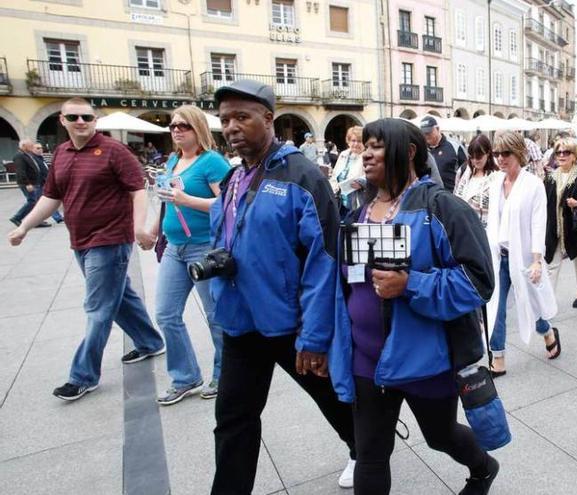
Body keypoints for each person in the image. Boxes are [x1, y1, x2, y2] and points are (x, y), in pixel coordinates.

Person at [329, 117, 499, 495]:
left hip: (425, 360)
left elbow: (478, 281)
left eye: (376, 145)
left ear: (407, 153)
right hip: (366, 361)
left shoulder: (442, 207)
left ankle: (483, 467)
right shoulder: (357, 210)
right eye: (365, 145)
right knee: (371, 453)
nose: (366, 153)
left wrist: (411, 285)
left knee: (440, 436)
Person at [208, 80, 356, 493]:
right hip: (240, 321)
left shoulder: (303, 175)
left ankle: (364, 448)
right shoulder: (235, 178)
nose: (232, 127)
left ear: (268, 119)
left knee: (331, 399)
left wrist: (314, 336)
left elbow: (324, 262)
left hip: (291, 325)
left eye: (242, 117)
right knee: (233, 417)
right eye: (225, 120)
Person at [8, 97, 166, 400]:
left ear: (95, 120)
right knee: (120, 298)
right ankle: (149, 342)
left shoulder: (114, 151)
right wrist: (25, 226)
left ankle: (83, 375)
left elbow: (138, 191)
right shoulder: (62, 155)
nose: (81, 122)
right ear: (63, 121)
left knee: (97, 308)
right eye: (74, 117)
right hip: (79, 239)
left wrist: (138, 227)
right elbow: (51, 197)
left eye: (87, 117)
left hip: (109, 240)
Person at [140, 105, 230, 405]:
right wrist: (154, 229)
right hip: (174, 248)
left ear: (198, 129)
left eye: (183, 126)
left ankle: (223, 374)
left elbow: (228, 205)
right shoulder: (172, 160)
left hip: (204, 247)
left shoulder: (212, 162)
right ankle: (185, 376)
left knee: (216, 316)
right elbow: (167, 201)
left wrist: (187, 198)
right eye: (173, 126)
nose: (176, 130)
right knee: (166, 314)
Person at [486, 130, 560, 377]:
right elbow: (491, 221)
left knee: (532, 305)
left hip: (525, 257)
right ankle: (498, 357)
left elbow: (539, 224)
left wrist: (538, 260)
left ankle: (548, 331)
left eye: (506, 153)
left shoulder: (533, 185)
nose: (500, 158)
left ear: (518, 153)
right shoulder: (495, 181)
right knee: (495, 307)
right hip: (500, 256)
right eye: (497, 153)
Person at [544, 137, 577, 307]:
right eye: (558, 152)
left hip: (575, 228)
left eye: (566, 152)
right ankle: (548, 302)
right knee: (552, 265)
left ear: (574, 155)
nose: (561, 155)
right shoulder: (550, 177)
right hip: (554, 228)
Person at [453, 133, 498, 228]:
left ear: (488, 153)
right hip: (462, 228)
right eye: (471, 157)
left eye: (479, 157)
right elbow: (455, 196)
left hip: (485, 231)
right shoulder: (463, 170)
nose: (475, 161)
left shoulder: (497, 176)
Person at [9, 139, 57, 227]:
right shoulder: (19, 156)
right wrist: (27, 183)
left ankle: (36, 221)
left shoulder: (27, 155)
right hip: (29, 183)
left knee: (34, 202)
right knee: (32, 201)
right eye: (30, 145)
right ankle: (17, 217)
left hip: (35, 182)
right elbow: (21, 171)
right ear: (24, 146)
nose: (32, 147)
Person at [420, 116, 467, 191]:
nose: (426, 136)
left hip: (451, 196)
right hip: (431, 197)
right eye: (424, 133)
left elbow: (466, 170)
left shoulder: (455, 146)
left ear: (438, 129)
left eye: (429, 132)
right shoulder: (422, 150)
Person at [330, 126, 365, 216]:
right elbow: (334, 175)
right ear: (348, 141)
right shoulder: (343, 154)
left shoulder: (367, 156)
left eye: (359, 141)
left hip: (359, 201)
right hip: (341, 200)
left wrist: (362, 183)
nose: (356, 144)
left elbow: (375, 178)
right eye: (353, 141)